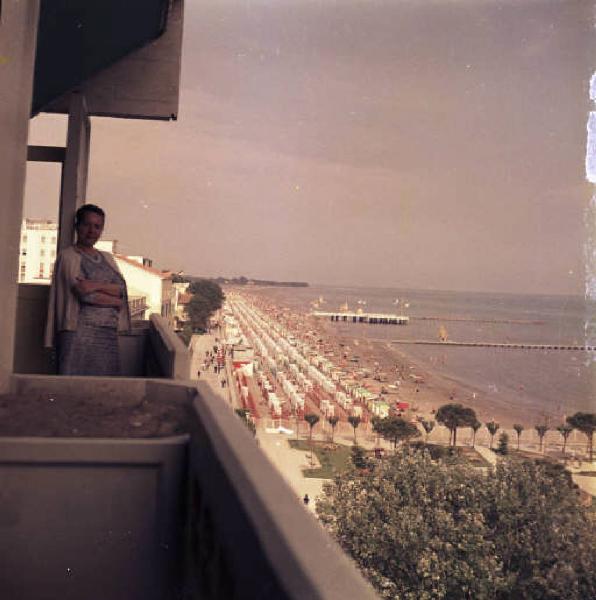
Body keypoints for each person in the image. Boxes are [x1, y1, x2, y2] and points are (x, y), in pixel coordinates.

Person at [45, 204, 131, 376]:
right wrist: (115, 300)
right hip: (78, 334)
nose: (92, 231)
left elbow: (122, 288)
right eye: (86, 224)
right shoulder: (68, 256)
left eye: (97, 226)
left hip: (107, 335)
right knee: (72, 387)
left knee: (104, 389)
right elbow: (84, 295)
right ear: (77, 226)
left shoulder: (107, 258)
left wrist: (96, 285)